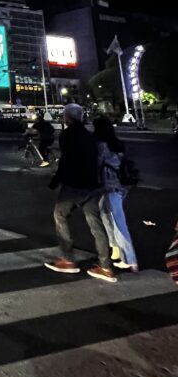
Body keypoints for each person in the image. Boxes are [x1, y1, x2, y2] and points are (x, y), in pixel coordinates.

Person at [45, 103, 116, 282]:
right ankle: (106, 267)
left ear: (68, 117)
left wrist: (55, 181)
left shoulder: (67, 135)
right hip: (92, 186)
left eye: (64, 115)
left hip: (74, 185)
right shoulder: (89, 135)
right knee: (95, 224)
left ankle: (68, 260)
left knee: (59, 216)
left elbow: (66, 160)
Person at [94, 116, 139, 272]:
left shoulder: (101, 146)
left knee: (118, 223)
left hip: (111, 187)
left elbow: (98, 164)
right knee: (104, 213)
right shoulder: (118, 144)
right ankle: (116, 250)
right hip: (123, 185)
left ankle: (130, 259)